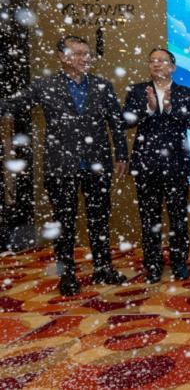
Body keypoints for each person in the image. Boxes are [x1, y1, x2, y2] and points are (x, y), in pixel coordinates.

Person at [1, 35, 127, 296]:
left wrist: (122, 156)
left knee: (99, 220)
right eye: (78, 53)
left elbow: (116, 123)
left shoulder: (102, 86)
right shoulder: (45, 85)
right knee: (64, 223)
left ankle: (103, 268)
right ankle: (67, 274)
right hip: (60, 165)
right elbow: (13, 105)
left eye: (87, 53)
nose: (85, 58)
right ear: (62, 57)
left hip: (97, 164)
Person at [123, 48, 190, 283]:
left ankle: (179, 262)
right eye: (152, 60)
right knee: (149, 217)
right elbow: (126, 121)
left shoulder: (186, 92)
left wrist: (171, 109)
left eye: (162, 61)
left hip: (176, 163)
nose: (156, 64)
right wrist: (149, 109)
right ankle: (153, 264)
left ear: (172, 67)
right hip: (146, 163)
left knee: (178, 217)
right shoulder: (137, 90)